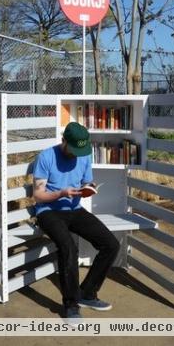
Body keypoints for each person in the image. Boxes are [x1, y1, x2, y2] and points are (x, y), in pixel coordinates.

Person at [32, 122, 120, 319]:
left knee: (111, 245)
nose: (78, 154)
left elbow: (86, 181)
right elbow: (38, 195)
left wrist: (89, 188)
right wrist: (61, 193)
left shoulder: (84, 155)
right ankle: (71, 305)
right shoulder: (46, 157)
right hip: (49, 211)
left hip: (75, 209)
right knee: (69, 248)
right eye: (74, 149)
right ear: (63, 141)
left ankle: (87, 293)